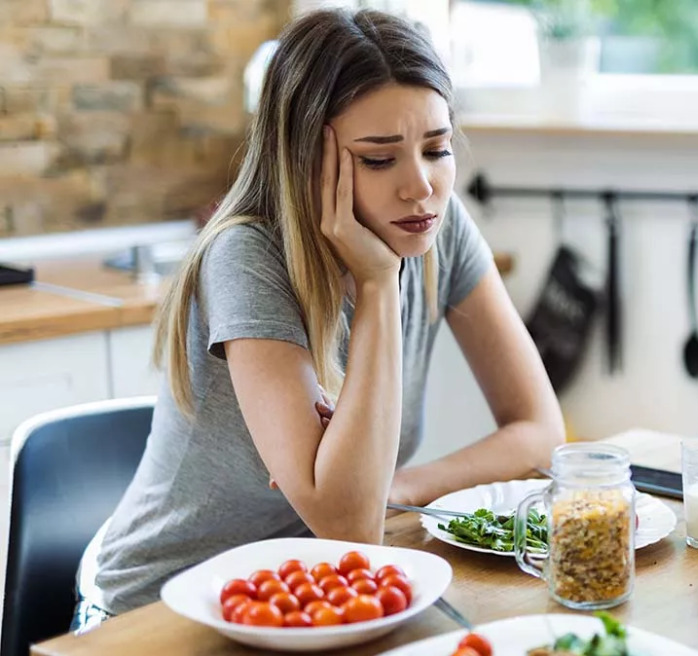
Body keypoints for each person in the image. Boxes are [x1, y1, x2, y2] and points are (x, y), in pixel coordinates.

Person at [72, 7, 563, 631]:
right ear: (307, 159)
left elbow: (540, 428)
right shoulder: (247, 256)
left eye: (436, 149)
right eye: (379, 160)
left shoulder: (439, 225)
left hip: (311, 600)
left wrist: (402, 486)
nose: (421, 187)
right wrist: (381, 286)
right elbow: (347, 523)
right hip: (157, 614)